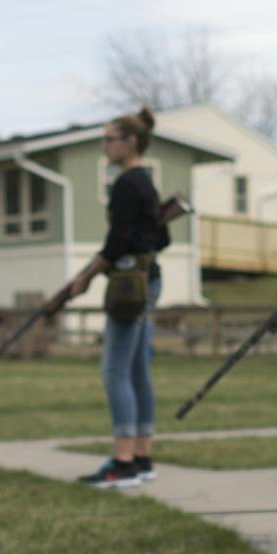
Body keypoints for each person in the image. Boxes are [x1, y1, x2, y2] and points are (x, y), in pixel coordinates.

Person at [64, 107, 171, 489]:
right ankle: (141, 455)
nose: (104, 146)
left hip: (131, 284)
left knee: (115, 371)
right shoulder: (145, 182)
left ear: (130, 142)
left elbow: (118, 242)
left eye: (109, 139)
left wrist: (85, 277)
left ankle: (123, 461)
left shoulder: (128, 183)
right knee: (138, 370)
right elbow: (161, 238)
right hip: (149, 278)